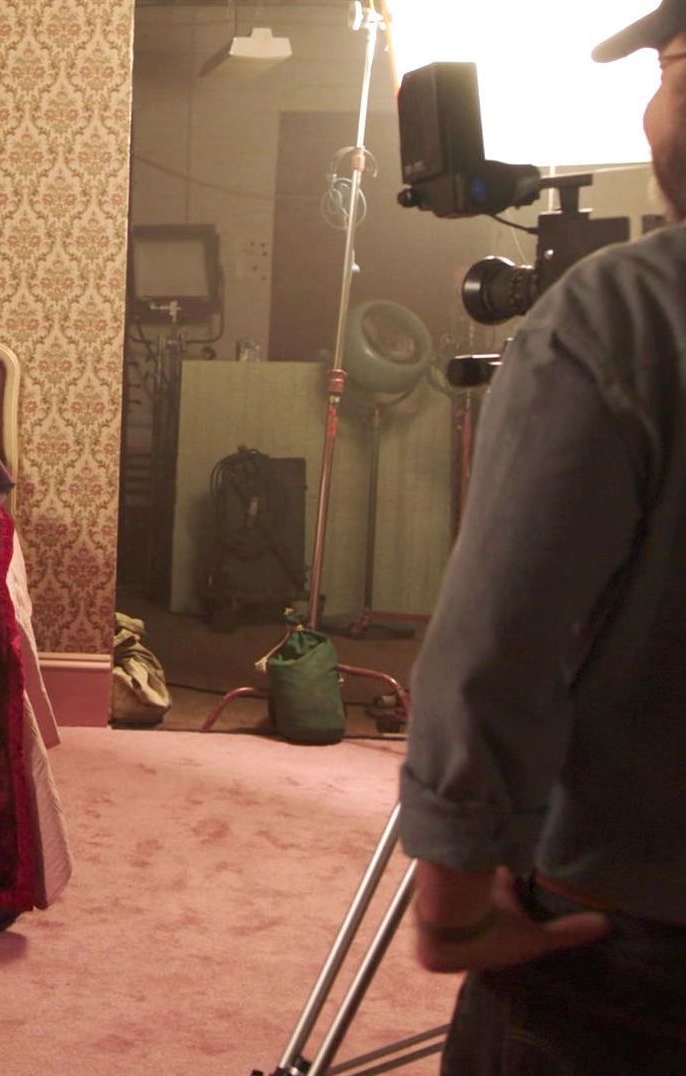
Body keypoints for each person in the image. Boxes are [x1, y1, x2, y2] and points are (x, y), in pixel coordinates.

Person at [398, 3, 686, 1069]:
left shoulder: (628, 313)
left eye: (667, 70)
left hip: (628, 938)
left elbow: (498, 640)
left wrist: (457, 897)